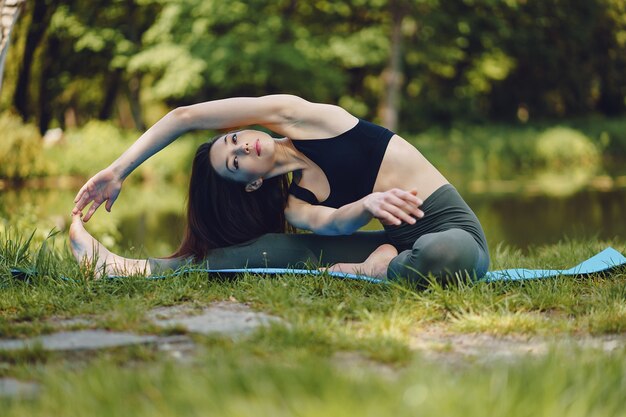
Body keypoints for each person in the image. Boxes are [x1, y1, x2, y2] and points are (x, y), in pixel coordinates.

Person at [71, 94, 489, 286]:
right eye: (236, 162)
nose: (242, 146)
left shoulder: (305, 119)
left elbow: (185, 116)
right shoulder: (295, 203)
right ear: (252, 182)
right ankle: (124, 268)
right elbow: (335, 225)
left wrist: (118, 169)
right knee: (267, 250)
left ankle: (380, 268)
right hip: (397, 241)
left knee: (444, 252)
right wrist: (367, 204)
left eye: (233, 139)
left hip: (456, 235)